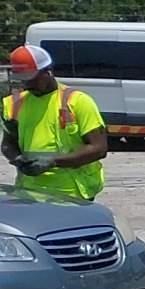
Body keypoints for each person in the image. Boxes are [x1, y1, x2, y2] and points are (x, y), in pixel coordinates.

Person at [3, 44, 110, 203]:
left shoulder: (77, 101)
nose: (28, 85)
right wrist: (17, 158)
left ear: (48, 72)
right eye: (23, 80)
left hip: (72, 193)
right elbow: (7, 143)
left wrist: (53, 162)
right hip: (29, 192)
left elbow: (99, 148)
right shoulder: (13, 104)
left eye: (33, 79)